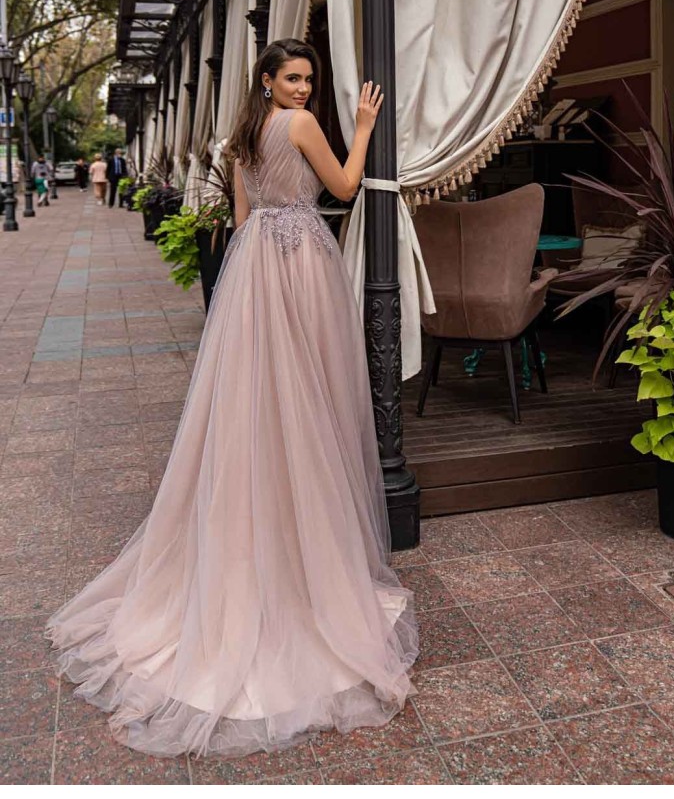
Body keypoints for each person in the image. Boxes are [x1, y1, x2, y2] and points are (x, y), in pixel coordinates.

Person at [46, 38, 418, 760]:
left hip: (253, 269)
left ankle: (264, 520)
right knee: (311, 396)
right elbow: (343, 190)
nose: (305, 89)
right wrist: (366, 123)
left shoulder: (241, 134)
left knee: (257, 402)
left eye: (310, 79)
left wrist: (252, 282)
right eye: (294, 78)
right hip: (301, 260)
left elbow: (243, 218)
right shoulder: (302, 126)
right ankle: (301, 540)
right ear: (270, 81)